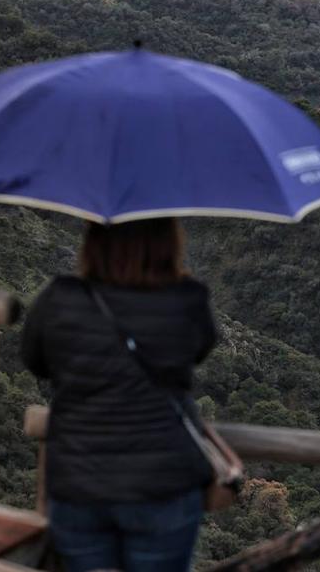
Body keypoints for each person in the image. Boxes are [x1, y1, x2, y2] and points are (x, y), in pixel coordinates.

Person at [21, 218, 217, 572]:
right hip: (163, 486)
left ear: (94, 244)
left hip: (79, 484)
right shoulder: (187, 299)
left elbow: (34, 360)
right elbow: (200, 349)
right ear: (168, 244)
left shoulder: (60, 298)